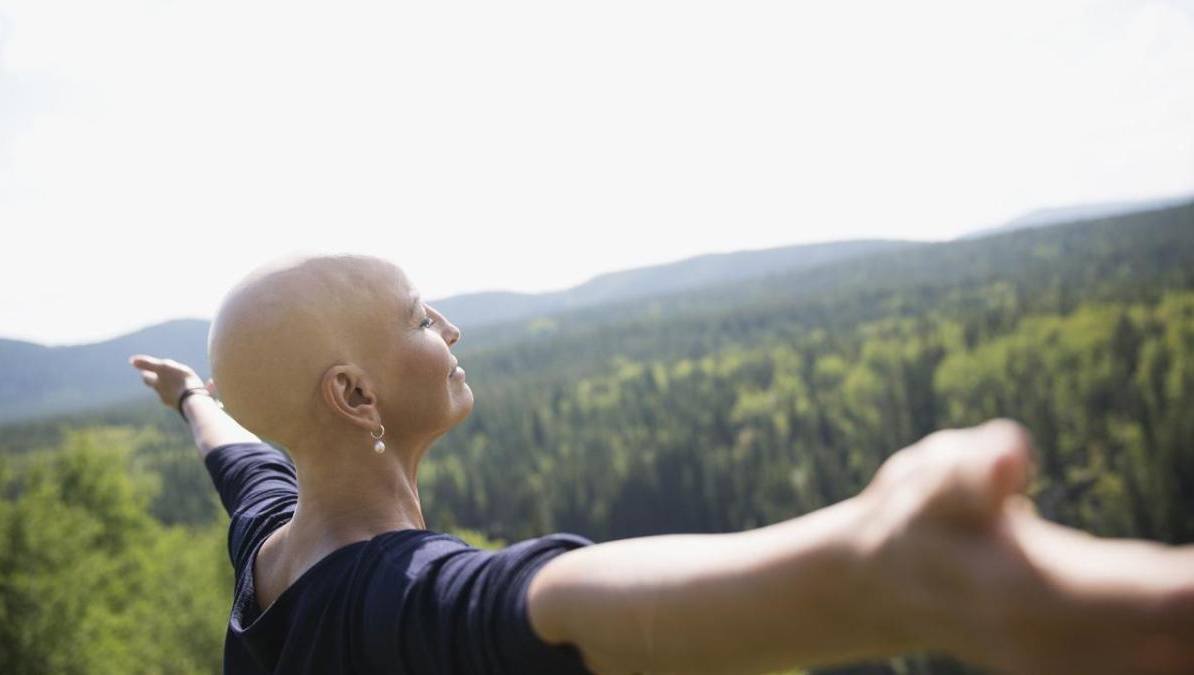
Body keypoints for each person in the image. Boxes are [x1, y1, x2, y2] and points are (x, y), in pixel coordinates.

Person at [130, 253, 1194, 675]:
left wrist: (196, 398)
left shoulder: (265, 546)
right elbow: (581, 600)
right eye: (417, 316)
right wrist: (878, 566)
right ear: (354, 397)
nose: (447, 327)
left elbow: (235, 458)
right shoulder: (405, 604)